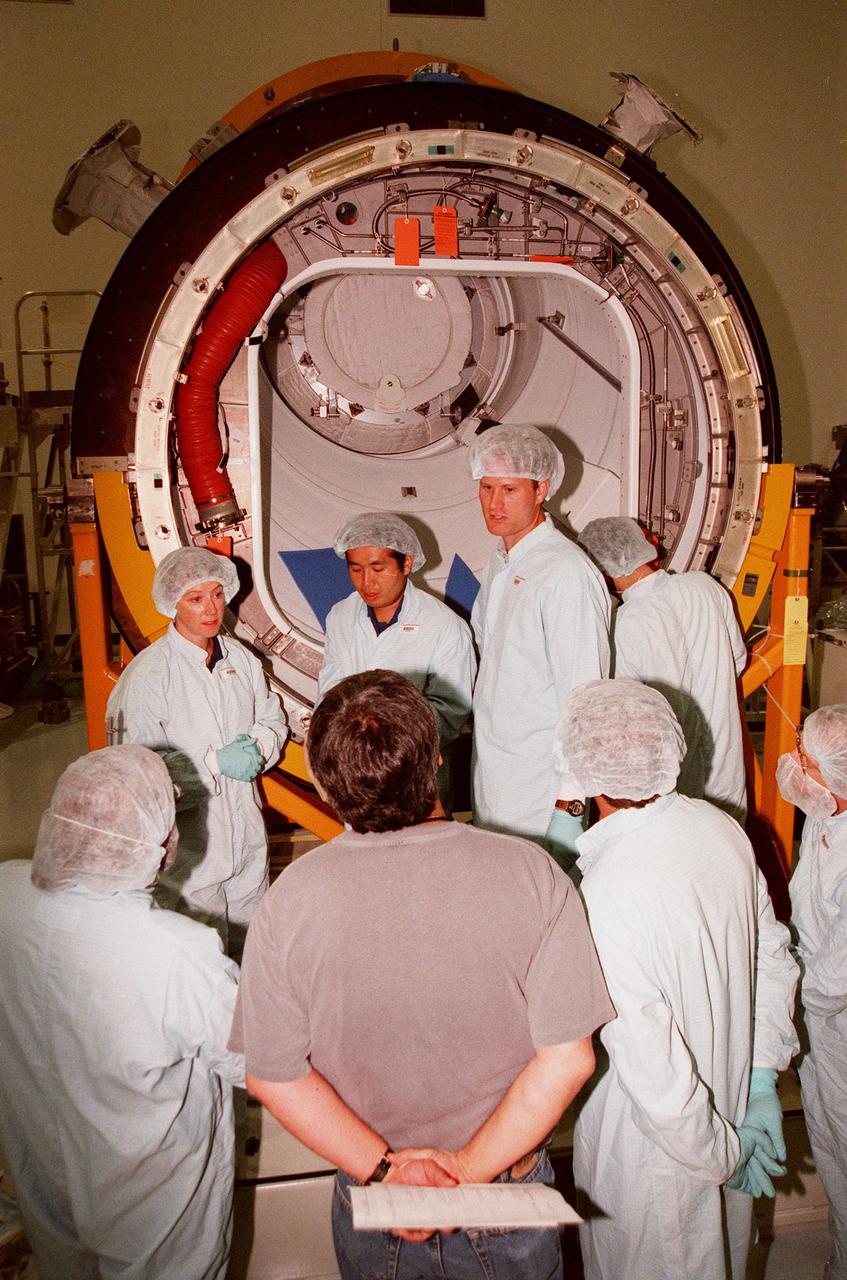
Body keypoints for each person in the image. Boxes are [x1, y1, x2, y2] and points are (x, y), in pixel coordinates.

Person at [231, 669, 614, 1280]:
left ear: (326, 786)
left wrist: (388, 1172)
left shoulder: (289, 901)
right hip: (507, 1198)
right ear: (436, 759)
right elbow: (568, 1060)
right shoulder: (531, 874)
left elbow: (275, 1077)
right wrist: (462, 1172)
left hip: (377, 1203)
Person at [558, 679, 799, 1280]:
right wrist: (762, 1078)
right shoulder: (721, 830)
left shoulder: (605, 892)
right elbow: (773, 955)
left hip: (655, 1160)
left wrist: (721, 1153)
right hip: (732, 1104)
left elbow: (653, 1069)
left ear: (585, 772)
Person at [0, 745, 243, 1280]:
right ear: (158, 844)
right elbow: (264, 1059)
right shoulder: (178, 953)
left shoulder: (5, 892)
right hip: (153, 1203)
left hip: (46, 1168)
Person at [107, 546, 287, 954]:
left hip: (247, 837)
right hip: (190, 847)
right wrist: (213, 764)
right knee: (200, 959)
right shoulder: (150, 675)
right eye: (196, 599)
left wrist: (258, 746)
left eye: (218, 594)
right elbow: (134, 772)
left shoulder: (240, 659)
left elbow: (274, 720)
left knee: (252, 951)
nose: (211, 609)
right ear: (172, 604)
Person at [467, 424, 611, 856]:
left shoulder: (565, 572)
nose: (494, 503)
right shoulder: (500, 562)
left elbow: (584, 692)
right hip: (495, 770)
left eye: (509, 489)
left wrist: (570, 799)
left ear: (541, 488)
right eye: (487, 488)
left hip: (541, 783)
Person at [579, 515, 749, 822]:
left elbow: (627, 724)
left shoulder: (624, 626)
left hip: (671, 791)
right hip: (727, 776)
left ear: (601, 571)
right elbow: (737, 659)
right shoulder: (705, 587)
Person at [777, 704, 847, 1280]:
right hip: (822, 1031)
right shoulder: (825, 817)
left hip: (839, 1024)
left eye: (808, 761)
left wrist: (787, 1000)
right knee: (828, 1146)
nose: (794, 764)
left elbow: (838, 976)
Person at [318, 511, 476, 754]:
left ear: (407, 563)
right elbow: (330, 691)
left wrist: (391, 743)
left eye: (378, 569)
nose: (367, 582)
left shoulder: (444, 625)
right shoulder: (340, 616)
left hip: (412, 764)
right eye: (356, 570)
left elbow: (451, 709)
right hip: (350, 761)